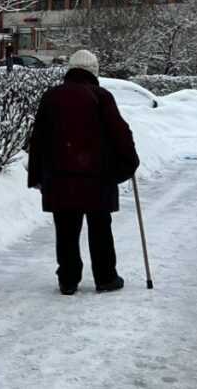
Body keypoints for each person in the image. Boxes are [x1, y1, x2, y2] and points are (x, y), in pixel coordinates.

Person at [27, 49, 140, 295]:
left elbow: (38, 139)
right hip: (97, 178)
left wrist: (36, 175)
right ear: (94, 71)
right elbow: (120, 134)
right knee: (100, 227)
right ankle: (106, 277)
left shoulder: (52, 96)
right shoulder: (101, 96)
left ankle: (68, 280)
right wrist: (127, 165)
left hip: (59, 178)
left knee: (66, 229)